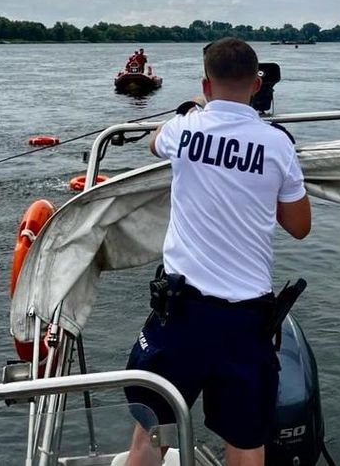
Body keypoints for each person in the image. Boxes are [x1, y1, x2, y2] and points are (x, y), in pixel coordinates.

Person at [124, 38, 312, 466]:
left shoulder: (183, 130)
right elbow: (299, 228)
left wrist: (191, 108)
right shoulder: (277, 144)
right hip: (245, 323)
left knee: (152, 437)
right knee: (246, 444)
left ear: (206, 85)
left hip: (180, 317)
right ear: (258, 83)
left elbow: (156, 142)